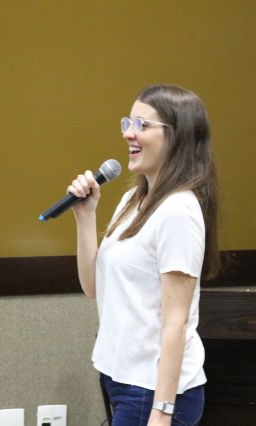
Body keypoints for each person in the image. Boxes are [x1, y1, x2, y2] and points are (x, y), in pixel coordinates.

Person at [67, 84, 220, 426]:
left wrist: (162, 412)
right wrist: (85, 217)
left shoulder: (179, 210)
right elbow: (94, 288)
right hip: (120, 378)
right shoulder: (133, 200)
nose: (128, 134)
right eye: (128, 123)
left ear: (177, 137)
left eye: (142, 125)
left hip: (153, 391)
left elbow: (176, 321)